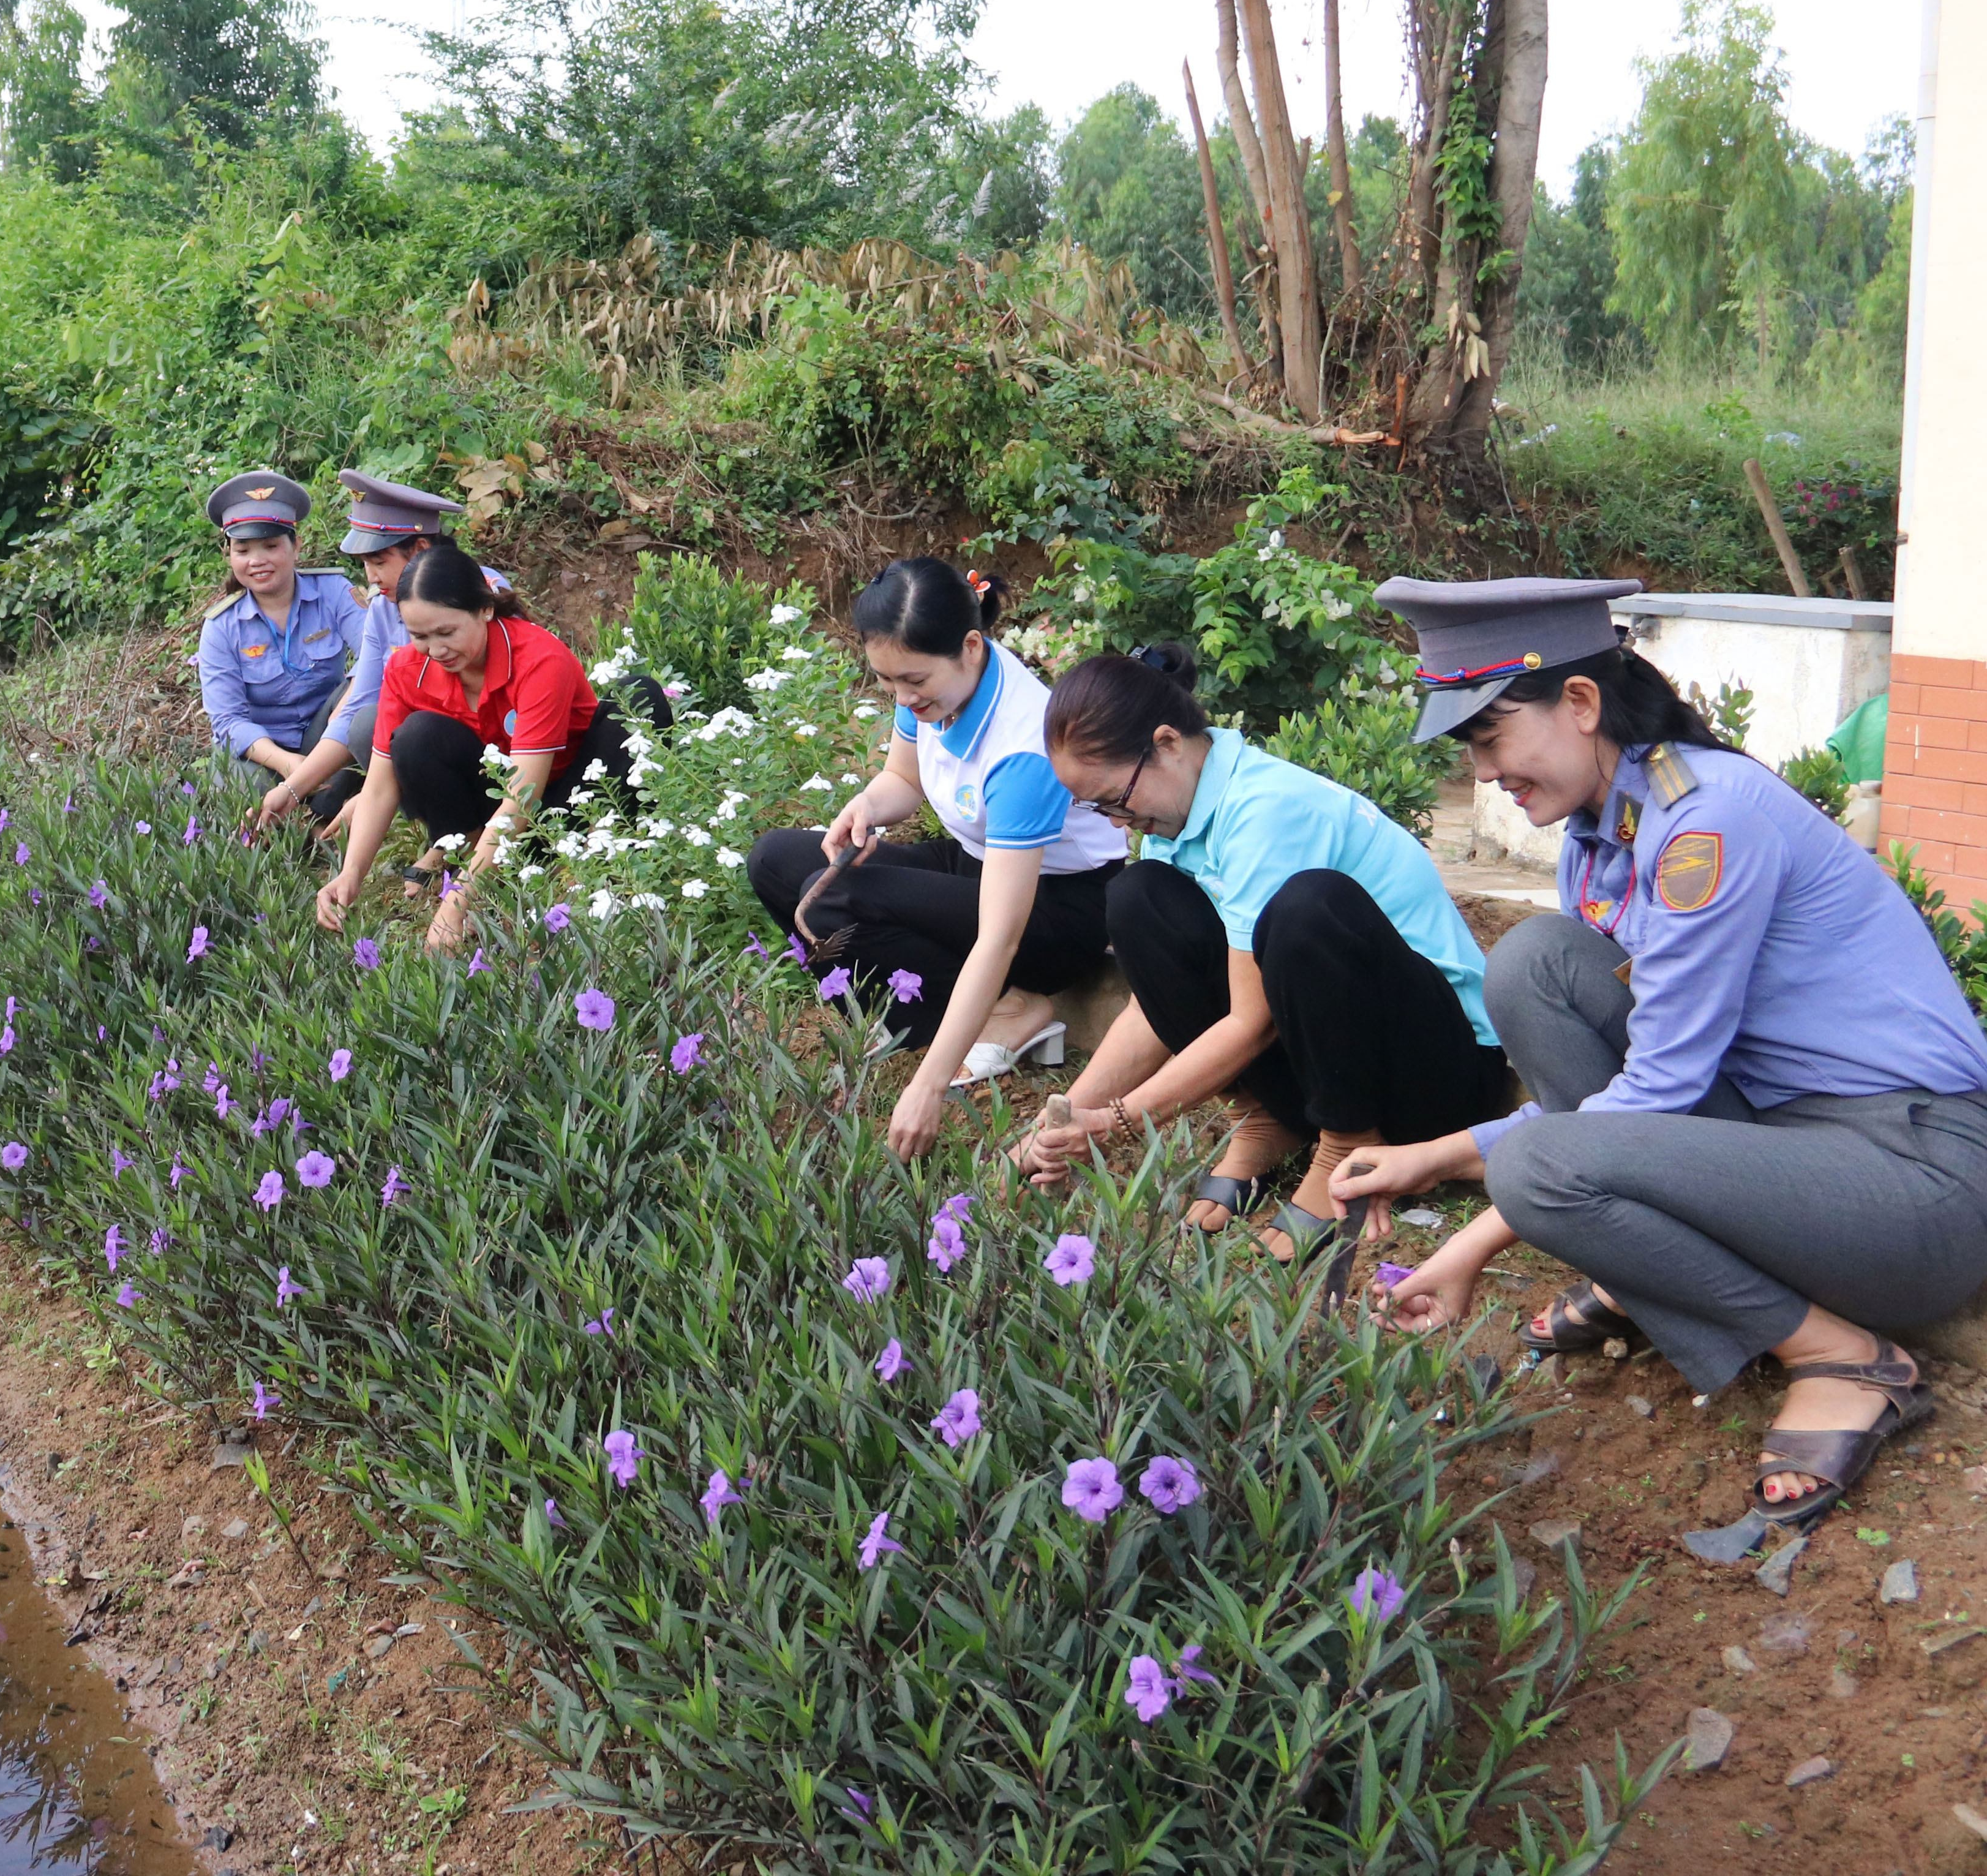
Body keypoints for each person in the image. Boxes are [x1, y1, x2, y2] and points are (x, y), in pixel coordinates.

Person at [1332, 576, 1987, 1531]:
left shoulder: (1706, 821)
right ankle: (1643, 1274)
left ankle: (1842, 1359)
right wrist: (1436, 1156)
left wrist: (1477, 1236)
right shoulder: (1603, 834)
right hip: (1783, 1141)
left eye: (1489, 736)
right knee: (1536, 966)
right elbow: (1651, 1077)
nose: (1482, 772)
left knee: (1541, 1172)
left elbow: (1661, 1089)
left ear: (1583, 703)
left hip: (1913, 1184)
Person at [1015, 645, 1512, 1257]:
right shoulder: (1182, 820)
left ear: (1167, 743)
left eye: (1117, 799)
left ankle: (1347, 1142)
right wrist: (1065, 1119)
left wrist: (1120, 1119)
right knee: (1139, 898)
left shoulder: (1266, 811)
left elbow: (1251, 1024)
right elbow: (1157, 1007)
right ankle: (1268, 1117)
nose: (1120, 822)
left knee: (1309, 907)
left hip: (1438, 1075)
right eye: (1101, 809)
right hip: (1345, 1060)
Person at [745, 559, 1128, 1156]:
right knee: (775, 860)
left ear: (971, 647)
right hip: (976, 862)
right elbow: (904, 774)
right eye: (888, 681)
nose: (903, 697)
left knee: (833, 897)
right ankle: (960, 1009)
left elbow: (1001, 934)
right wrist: (866, 805)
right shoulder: (928, 683)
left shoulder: (1024, 747)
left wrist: (926, 1089)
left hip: (1058, 910)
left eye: (913, 681)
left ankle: (1014, 1009)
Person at [311, 545, 664, 954]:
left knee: (638, 698)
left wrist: (458, 903)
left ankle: (592, 852)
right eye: (419, 636)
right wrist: (351, 873)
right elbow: (379, 786)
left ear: (485, 610)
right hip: (490, 807)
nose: (436, 650)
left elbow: (524, 792)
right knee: (416, 736)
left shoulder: (538, 658)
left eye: (446, 632)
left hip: (567, 796)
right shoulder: (407, 669)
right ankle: (463, 852)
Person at [244, 469, 501, 841]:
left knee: (393, 727)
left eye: (380, 562)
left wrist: (373, 794)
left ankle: (462, 833)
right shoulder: (382, 607)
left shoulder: (478, 592)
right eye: (365, 563)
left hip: (486, 752)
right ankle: (420, 824)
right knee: (367, 720)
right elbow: (359, 701)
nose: (372, 576)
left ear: (420, 552)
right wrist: (292, 790)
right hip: (418, 754)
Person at [194, 469, 368, 822]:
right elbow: (227, 720)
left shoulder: (334, 592)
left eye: (272, 546)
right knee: (247, 793)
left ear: (295, 545)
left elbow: (377, 658)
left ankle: (323, 819)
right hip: (262, 754)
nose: (258, 561)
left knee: (367, 707)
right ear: (229, 555)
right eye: (243, 550)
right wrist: (292, 765)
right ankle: (312, 828)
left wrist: (343, 714)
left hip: (331, 740)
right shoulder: (220, 627)